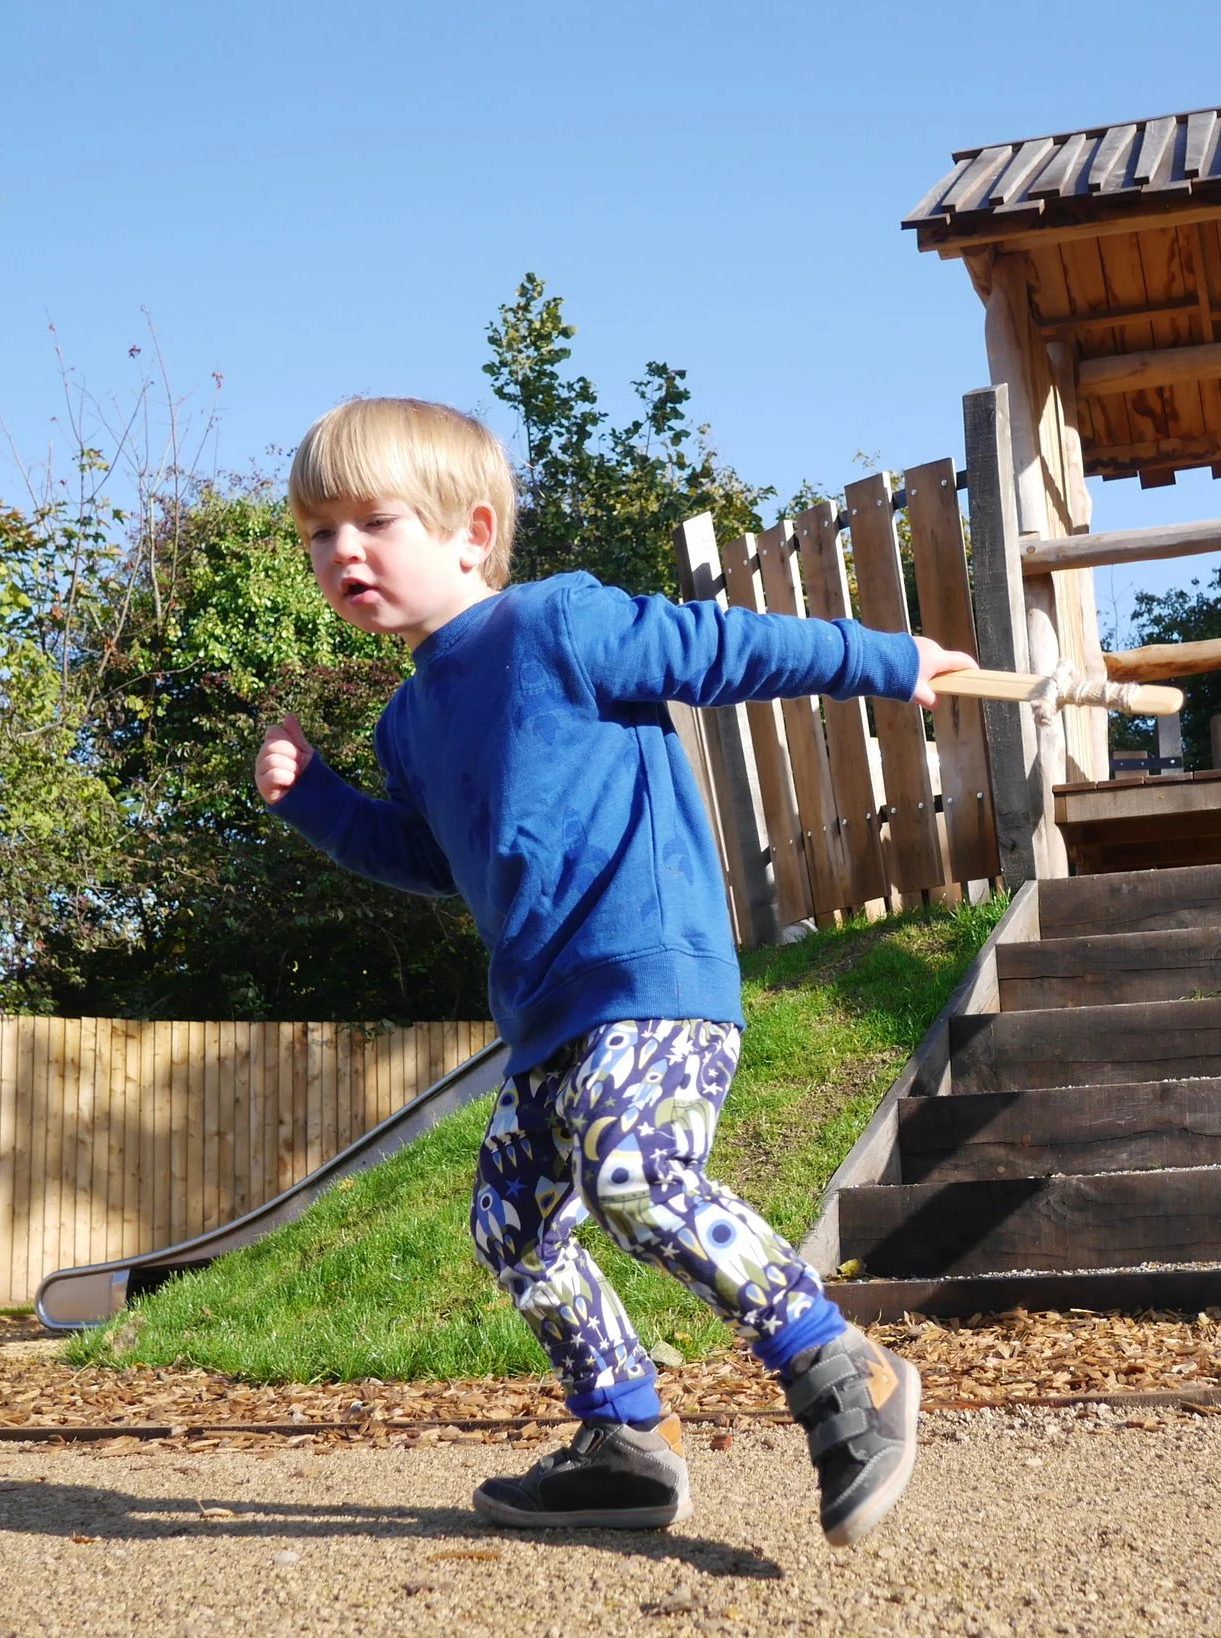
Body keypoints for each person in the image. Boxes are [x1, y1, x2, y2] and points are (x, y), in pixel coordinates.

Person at [254, 397, 976, 1547]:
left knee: (635, 1174)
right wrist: (324, 805)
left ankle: (844, 1371)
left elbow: (724, 649)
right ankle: (624, 1440)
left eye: (372, 522)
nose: (340, 552)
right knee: (512, 1226)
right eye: (316, 534)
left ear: (470, 531)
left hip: (652, 978)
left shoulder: (555, 625)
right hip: (548, 1015)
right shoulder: (407, 721)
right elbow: (439, 859)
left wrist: (886, 662)